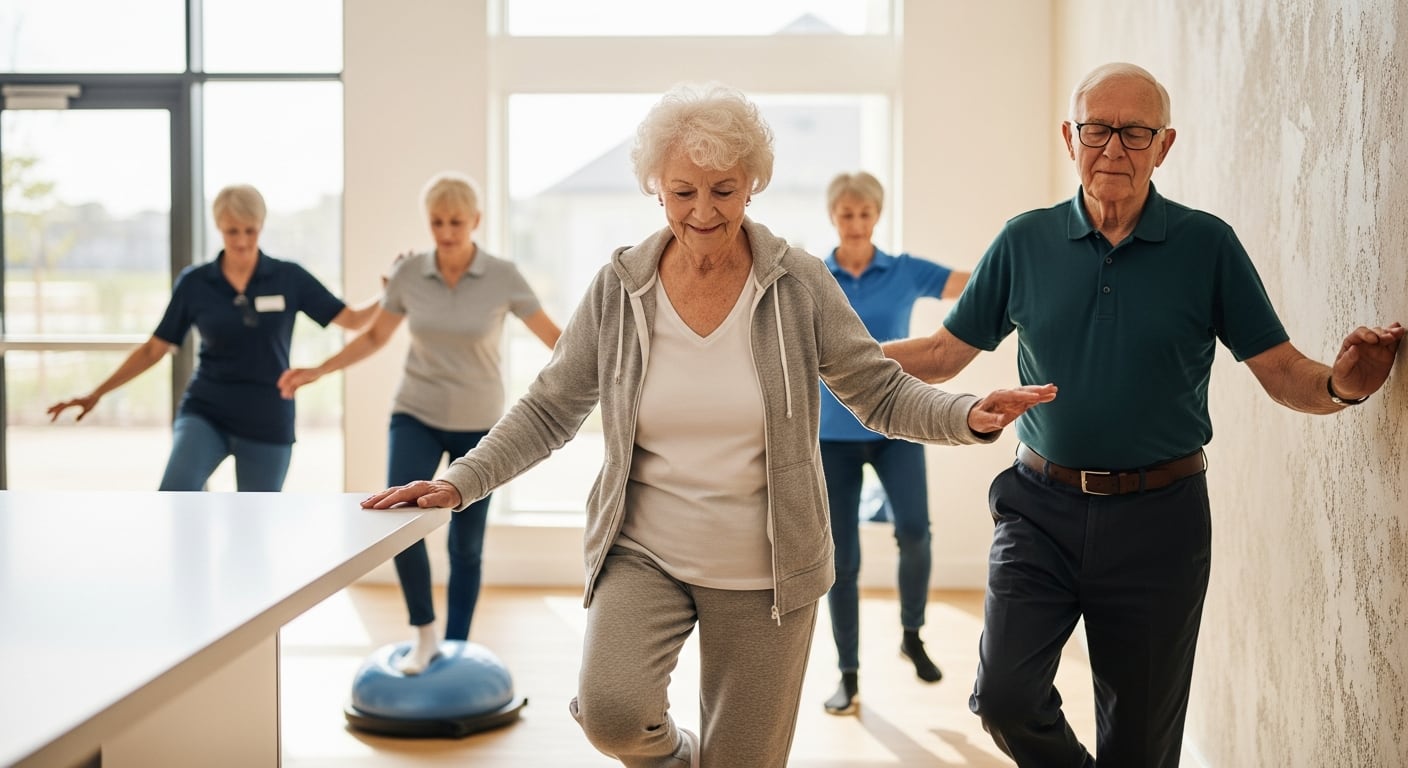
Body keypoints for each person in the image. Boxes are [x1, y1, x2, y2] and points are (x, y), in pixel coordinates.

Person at [362, 83, 1057, 768]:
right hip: (644, 552)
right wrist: (459, 482)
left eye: (723, 189)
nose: (702, 210)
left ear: (751, 185)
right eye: (683, 191)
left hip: (769, 571)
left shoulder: (797, 283)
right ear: (656, 189)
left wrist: (965, 412)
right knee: (610, 711)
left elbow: (875, 388)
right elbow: (550, 407)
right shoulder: (619, 288)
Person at [883, 62, 1404, 768]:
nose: (1114, 150)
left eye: (1136, 133)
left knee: (1140, 748)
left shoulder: (1206, 246)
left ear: (1165, 145)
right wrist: (835, 353)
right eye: (1098, 130)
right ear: (1070, 137)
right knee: (1004, 697)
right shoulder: (1024, 242)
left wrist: (1343, 386)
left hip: (1162, 524)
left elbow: (1282, 370)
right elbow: (946, 353)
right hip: (1039, 509)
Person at [278, 171, 561, 674]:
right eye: (437, 222)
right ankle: (425, 634)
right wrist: (318, 371)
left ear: (475, 221)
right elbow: (373, 338)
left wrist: (610, 371)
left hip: (481, 426)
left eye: (457, 222)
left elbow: (555, 340)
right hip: (417, 413)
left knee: (465, 544)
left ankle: (456, 646)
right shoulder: (410, 274)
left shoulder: (503, 276)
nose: (447, 232)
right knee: (399, 523)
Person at [47, 184, 380, 492]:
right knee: (174, 500)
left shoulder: (289, 277)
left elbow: (352, 320)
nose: (242, 241)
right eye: (232, 231)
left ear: (261, 225)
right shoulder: (195, 283)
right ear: (219, 227)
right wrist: (96, 393)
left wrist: (391, 293)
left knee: (254, 526)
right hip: (207, 410)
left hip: (268, 416)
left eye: (251, 230)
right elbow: (154, 348)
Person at [816, 170, 972, 716]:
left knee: (915, 531)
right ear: (833, 217)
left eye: (864, 214)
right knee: (843, 560)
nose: (856, 224)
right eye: (846, 214)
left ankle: (912, 633)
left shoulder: (904, 272)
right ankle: (848, 674)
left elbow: (975, 284)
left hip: (896, 424)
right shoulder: (815, 277)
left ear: (876, 215)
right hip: (831, 435)